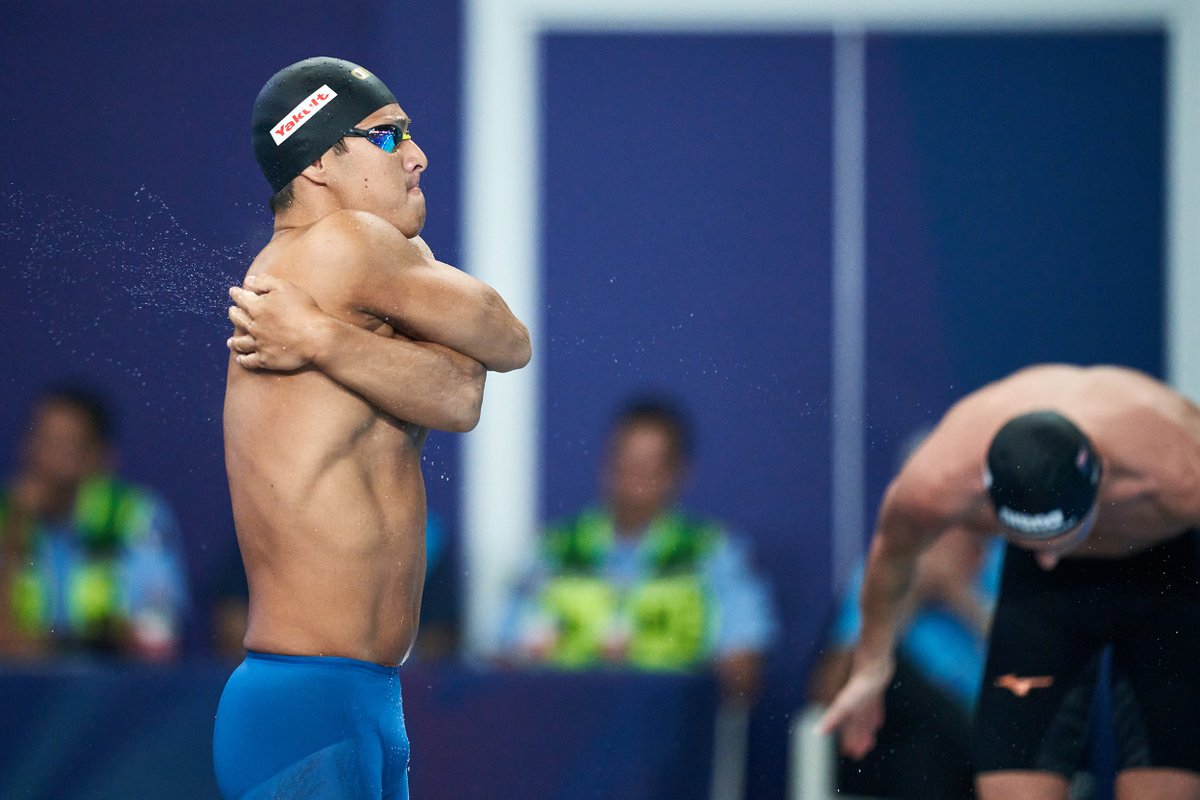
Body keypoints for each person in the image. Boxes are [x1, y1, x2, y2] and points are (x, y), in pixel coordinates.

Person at [214, 57, 531, 799]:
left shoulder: (324, 279)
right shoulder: (343, 242)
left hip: (354, 696)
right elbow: (508, 337)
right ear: (322, 161)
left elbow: (461, 399)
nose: (417, 155)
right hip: (308, 701)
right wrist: (330, 338)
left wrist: (324, 340)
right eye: (389, 138)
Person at [820, 364, 1200, 800]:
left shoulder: (1180, 471)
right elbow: (893, 555)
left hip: (1161, 576)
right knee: (1013, 785)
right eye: (1027, 539)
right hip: (1042, 598)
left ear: (1103, 476)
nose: (1049, 557)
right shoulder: (940, 478)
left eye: (1062, 539)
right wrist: (871, 665)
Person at [501, 396, 777, 704]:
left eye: (649, 466)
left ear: (679, 472)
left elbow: (744, 672)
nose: (633, 477)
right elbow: (504, 660)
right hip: (561, 729)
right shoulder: (555, 550)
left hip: (669, 733)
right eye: (625, 462)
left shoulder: (713, 552)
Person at [810, 528, 1002, 799]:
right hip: (897, 745)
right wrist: (903, 601)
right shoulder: (884, 571)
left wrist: (959, 596)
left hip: (986, 734)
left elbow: (1036, 667)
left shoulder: (1008, 570)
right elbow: (829, 689)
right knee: (898, 685)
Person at [0, 385, 189, 661]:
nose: (52, 460)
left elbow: (156, 640)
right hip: (19, 693)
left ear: (101, 456)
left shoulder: (133, 515)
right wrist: (15, 532)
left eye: (68, 445)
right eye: (43, 441)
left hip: (111, 692)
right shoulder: (9, 516)